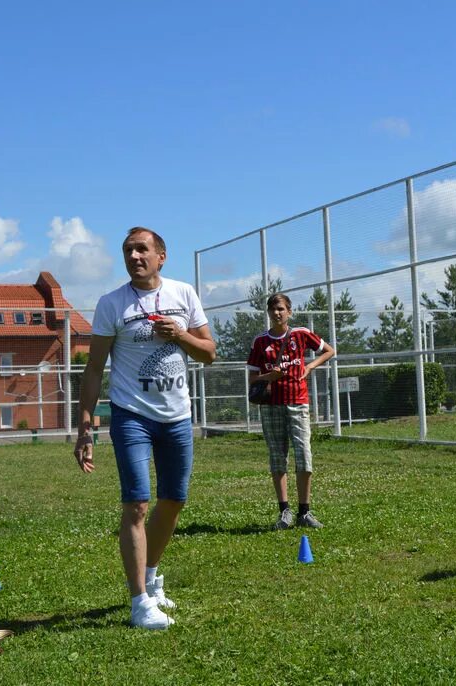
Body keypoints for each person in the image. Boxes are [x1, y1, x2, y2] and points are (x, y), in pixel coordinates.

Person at [74, 227, 216, 629]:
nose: (135, 256)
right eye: (128, 251)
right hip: (131, 415)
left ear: (161, 256)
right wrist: (85, 426)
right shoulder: (111, 303)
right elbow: (94, 368)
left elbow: (209, 354)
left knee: (174, 500)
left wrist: (181, 333)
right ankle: (139, 603)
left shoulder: (183, 295)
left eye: (142, 249)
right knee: (137, 504)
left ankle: (152, 578)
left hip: (177, 417)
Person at [247, 293, 336, 530]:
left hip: (298, 402)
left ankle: (304, 512)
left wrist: (310, 366)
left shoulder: (301, 334)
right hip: (271, 406)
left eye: (281, 309)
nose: (277, 313)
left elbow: (329, 350)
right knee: (278, 457)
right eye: (273, 309)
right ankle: (284, 510)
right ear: (268, 312)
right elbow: (252, 378)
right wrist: (270, 376)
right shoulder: (260, 342)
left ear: (289, 312)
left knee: (304, 456)